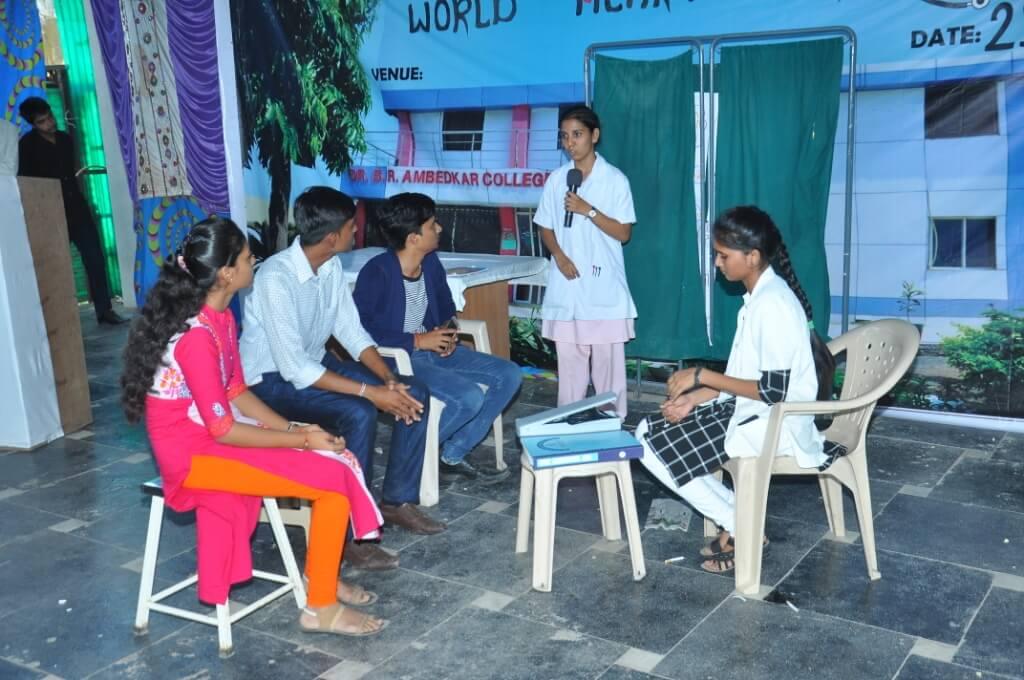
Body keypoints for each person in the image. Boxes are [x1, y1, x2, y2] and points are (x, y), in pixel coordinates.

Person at [120, 216, 387, 636]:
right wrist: (300, 439)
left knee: (333, 458)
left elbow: (236, 390)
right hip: (192, 457)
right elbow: (223, 429)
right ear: (227, 274)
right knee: (332, 478)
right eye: (247, 258)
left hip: (211, 435)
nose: (254, 263)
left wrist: (296, 431)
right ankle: (320, 607)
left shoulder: (221, 317)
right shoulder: (196, 337)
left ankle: (322, 578)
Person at [240, 187, 444, 573]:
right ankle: (349, 533)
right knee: (359, 412)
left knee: (413, 390)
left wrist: (388, 380)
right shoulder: (275, 278)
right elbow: (294, 369)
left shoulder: (330, 266)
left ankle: (396, 501)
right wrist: (371, 392)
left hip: (312, 365)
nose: (357, 232)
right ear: (333, 236)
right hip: (268, 381)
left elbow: (351, 332)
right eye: (352, 226)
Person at [634, 205, 837, 573]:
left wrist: (702, 376)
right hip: (754, 409)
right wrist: (694, 398)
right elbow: (744, 375)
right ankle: (741, 520)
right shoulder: (760, 297)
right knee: (650, 431)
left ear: (752, 256)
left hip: (777, 422)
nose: (717, 263)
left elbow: (773, 391)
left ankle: (741, 525)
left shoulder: (772, 305)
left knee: (650, 444)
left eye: (723, 255)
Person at [353, 192, 521, 482]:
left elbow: (446, 307)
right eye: (432, 225)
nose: (439, 228)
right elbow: (360, 331)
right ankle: (410, 458)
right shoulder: (377, 272)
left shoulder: (429, 263)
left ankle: (452, 452)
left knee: (509, 375)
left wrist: (448, 332)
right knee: (468, 397)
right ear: (413, 238)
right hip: (397, 360)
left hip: (433, 353)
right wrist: (418, 341)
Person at [535, 105, 636, 417]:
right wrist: (559, 256)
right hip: (567, 285)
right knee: (570, 370)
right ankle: (567, 422)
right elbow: (545, 225)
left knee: (608, 370)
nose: (570, 143)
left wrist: (587, 210)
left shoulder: (615, 180)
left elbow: (623, 233)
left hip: (603, 288)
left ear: (594, 135)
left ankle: (610, 423)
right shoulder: (557, 180)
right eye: (564, 136)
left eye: (577, 134)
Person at [18, 97, 125, 325]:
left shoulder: (65, 139)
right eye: (42, 121)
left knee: (95, 257)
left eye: (50, 117)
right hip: (50, 213)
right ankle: (59, 319)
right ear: (33, 124)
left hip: (77, 207)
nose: (50, 123)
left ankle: (104, 310)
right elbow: (28, 184)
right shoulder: (26, 146)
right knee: (56, 266)